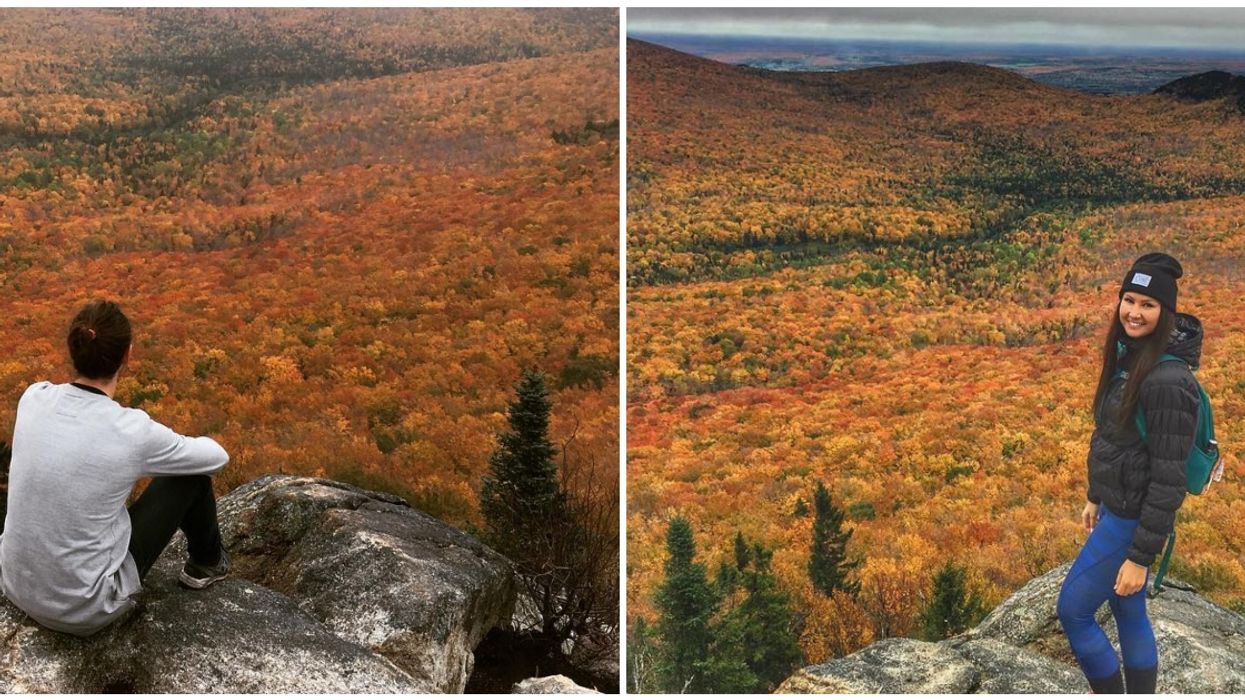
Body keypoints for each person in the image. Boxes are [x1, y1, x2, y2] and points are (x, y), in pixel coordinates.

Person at [0, 300, 231, 636]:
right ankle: (207, 563)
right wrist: (175, 445)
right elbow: (217, 457)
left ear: (74, 350)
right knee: (191, 476)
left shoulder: (33, 398)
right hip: (84, 609)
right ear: (128, 356)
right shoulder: (130, 430)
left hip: (14, 585)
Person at [1057, 253, 1201, 694]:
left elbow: (1169, 479)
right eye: (1129, 299)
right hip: (1117, 506)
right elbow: (1113, 437)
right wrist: (1095, 493)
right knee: (1126, 608)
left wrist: (1140, 557)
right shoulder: (1129, 356)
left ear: (1166, 312)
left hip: (1132, 518)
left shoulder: (1167, 382)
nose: (1134, 312)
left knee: (1075, 613)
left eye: (1148, 304)